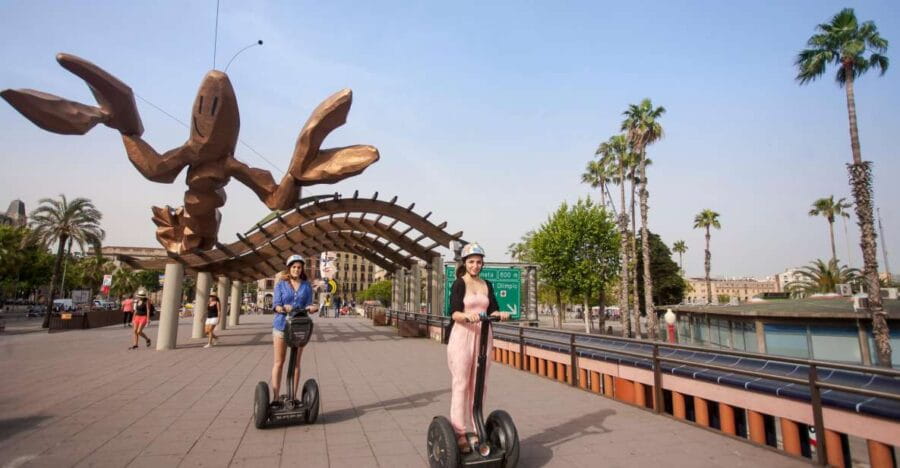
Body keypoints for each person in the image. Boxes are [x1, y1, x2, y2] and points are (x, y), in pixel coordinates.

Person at [446, 243, 510, 453]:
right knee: (462, 384)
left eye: (479, 262)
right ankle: (459, 432)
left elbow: (493, 308)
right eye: (471, 261)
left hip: (484, 336)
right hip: (463, 336)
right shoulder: (459, 284)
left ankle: (477, 429)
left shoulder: (487, 284)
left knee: (480, 384)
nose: (476, 265)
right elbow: (453, 312)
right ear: (465, 263)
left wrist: (501, 313)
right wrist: (466, 315)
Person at [271, 254, 318, 402]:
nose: (297, 270)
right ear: (289, 268)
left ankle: (293, 396)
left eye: (299, 267)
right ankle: (276, 397)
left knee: (296, 363)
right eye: (294, 267)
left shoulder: (306, 285)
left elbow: (309, 303)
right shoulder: (280, 284)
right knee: (279, 362)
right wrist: (281, 308)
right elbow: (276, 304)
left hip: (299, 326)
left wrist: (312, 307)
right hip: (281, 326)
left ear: (302, 269)